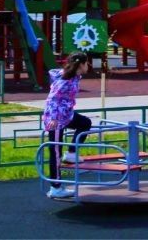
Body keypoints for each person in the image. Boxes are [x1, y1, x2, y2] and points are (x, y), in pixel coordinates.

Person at [42, 53, 93, 199]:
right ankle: (56, 187)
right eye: (87, 63)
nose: (88, 66)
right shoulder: (65, 81)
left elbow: (54, 73)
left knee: (85, 123)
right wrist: (53, 118)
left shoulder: (74, 76)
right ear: (81, 64)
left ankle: (71, 153)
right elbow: (52, 99)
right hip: (56, 119)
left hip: (66, 115)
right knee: (56, 152)